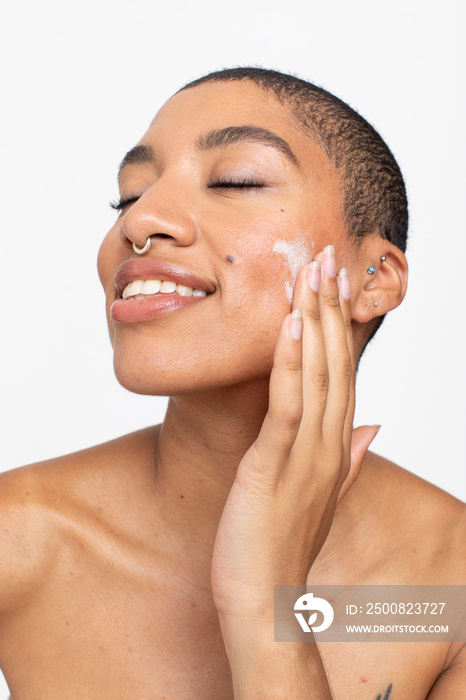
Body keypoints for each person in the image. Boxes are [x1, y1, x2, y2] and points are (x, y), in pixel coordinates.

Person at [0, 67, 464, 700]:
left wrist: (265, 597)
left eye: (234, 180)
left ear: (374, 276)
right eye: (128, 195)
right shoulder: (16, 537)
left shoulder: (448, 593)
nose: (141, 221)